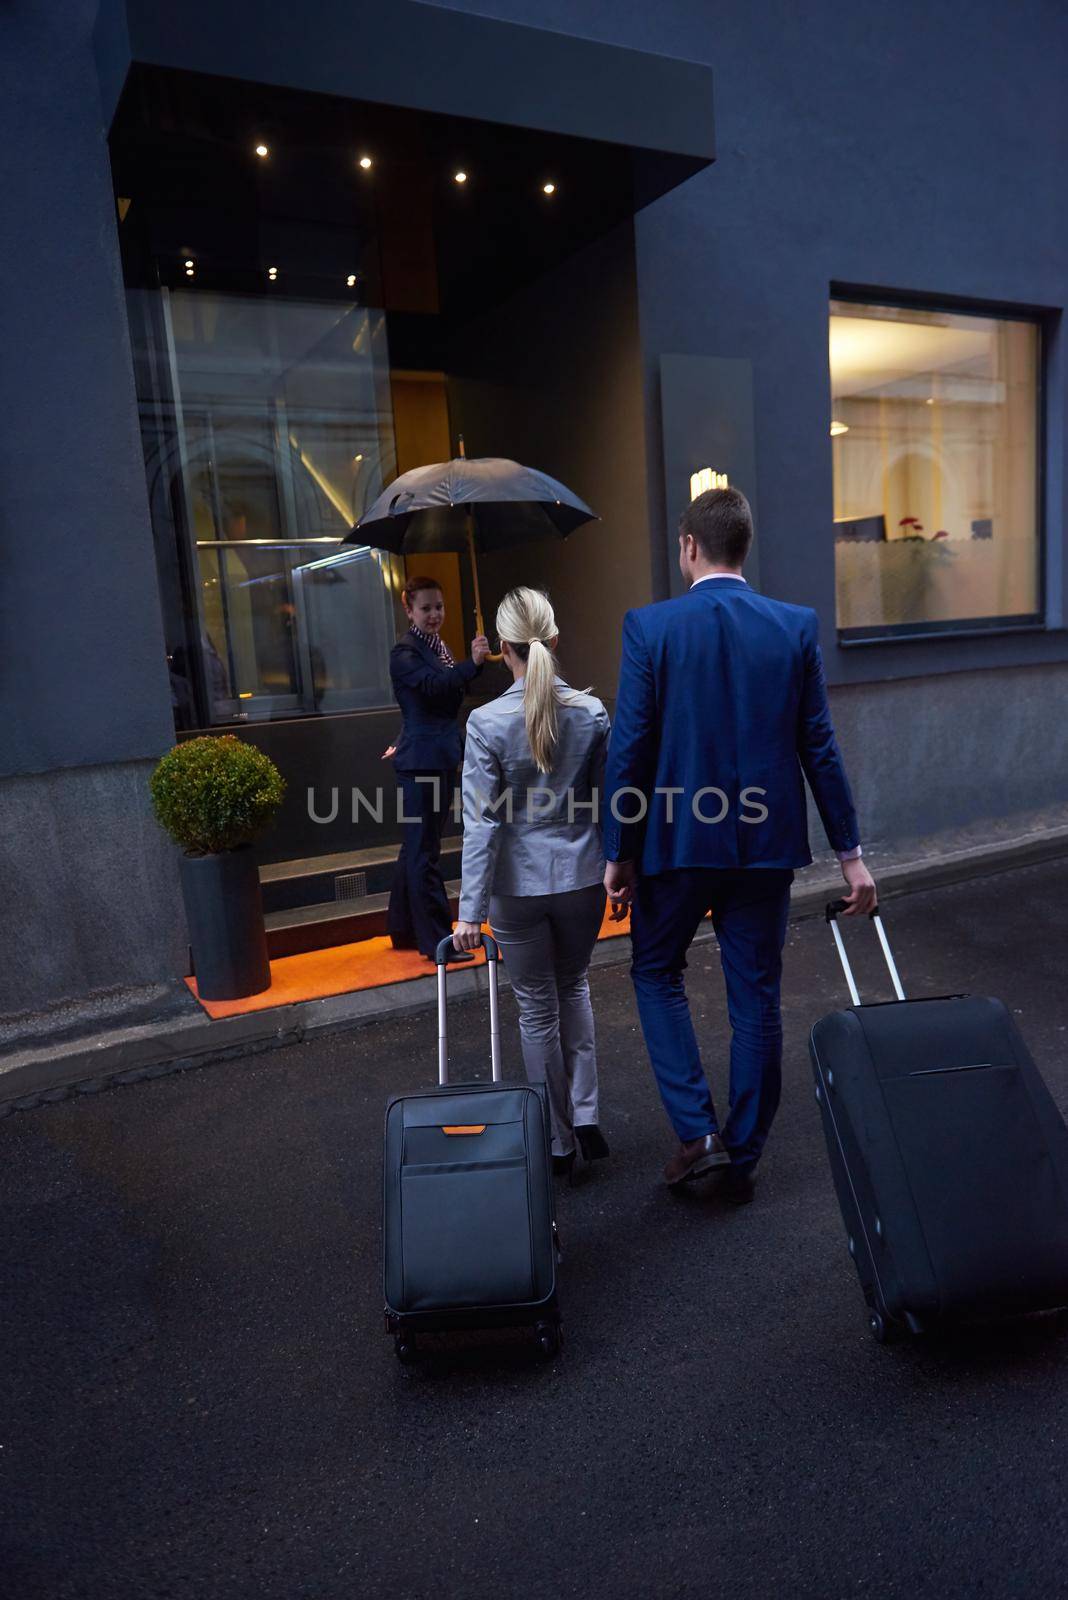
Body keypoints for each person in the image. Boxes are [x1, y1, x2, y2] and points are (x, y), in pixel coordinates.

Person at [603, 487, 876, 1204]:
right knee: (755, 994)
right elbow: (818, 744)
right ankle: (743, 1154)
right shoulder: (793, 627)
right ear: (743, 548)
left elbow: (630, 747)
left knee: (656, 971)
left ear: (689, 546)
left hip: (677, 840)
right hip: (765, 846)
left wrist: (618, 850)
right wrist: (849, 853)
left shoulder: (649, 628)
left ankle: (699, 1135)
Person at [453, 587, 611, 1178]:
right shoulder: (591, 713)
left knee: (536, 1010)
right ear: (553, 638)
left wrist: (469, 909)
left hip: (516, 887)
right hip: (582, 874)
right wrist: (620, 873)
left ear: (501, 648)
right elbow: (611, 803)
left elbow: (482, 822)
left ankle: (558, 1138)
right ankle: (588, 1113)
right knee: (574, 988)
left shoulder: (486, 721)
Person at [386, 575, 489, 961]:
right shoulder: (405, 652)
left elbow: (435, 697)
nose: (434, 615)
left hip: (434, 755)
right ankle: (434, 943)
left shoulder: (436, 646)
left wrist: (472, 665)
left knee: (416, 849)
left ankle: (402, 930)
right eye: (426, 608)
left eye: (439, 607)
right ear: (408, 607)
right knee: (423, 853)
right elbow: (432, 688)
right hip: (422, 762)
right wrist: (472, 664)